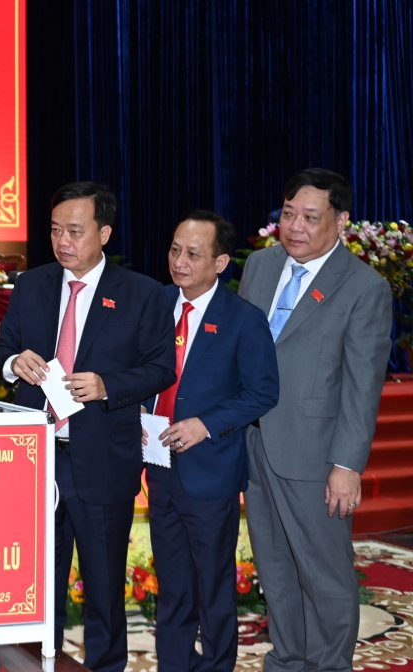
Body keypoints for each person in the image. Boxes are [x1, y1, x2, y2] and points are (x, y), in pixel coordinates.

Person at [0, 181, 174, 671]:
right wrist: (14, 364)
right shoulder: (33, 284)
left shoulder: (143, 294)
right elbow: (1, 349)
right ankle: (37, 661)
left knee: (103, 582)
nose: (63, 241)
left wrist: (108, 384)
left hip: (103, 461)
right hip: (37, 459)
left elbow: (160, 368)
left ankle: (106, 665)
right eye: (55, 230)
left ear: (105, 233)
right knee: (37, 580)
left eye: (75, 231)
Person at [239, 168, 392, 672]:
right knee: (276, 568)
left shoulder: (363, 287)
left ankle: (330, 665)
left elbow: (361, 385)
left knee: (323, 573)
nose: (295, 227)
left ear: (341, 221)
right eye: (287, 214)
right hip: (254, 443)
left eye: (309, 217)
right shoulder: (261, 267)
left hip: (315, 453)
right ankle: (288, 660)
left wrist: (347, 465)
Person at [146, 211, 279, 671]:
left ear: (220, 262)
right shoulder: (155, 303)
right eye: (174, 250)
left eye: (193, 254)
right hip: (159, 468)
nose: (179, 262)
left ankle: (217, 665)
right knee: (173, 587)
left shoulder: (243, 319)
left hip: (211, 473)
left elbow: (263, 392)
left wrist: (206, 424)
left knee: (213, 588)